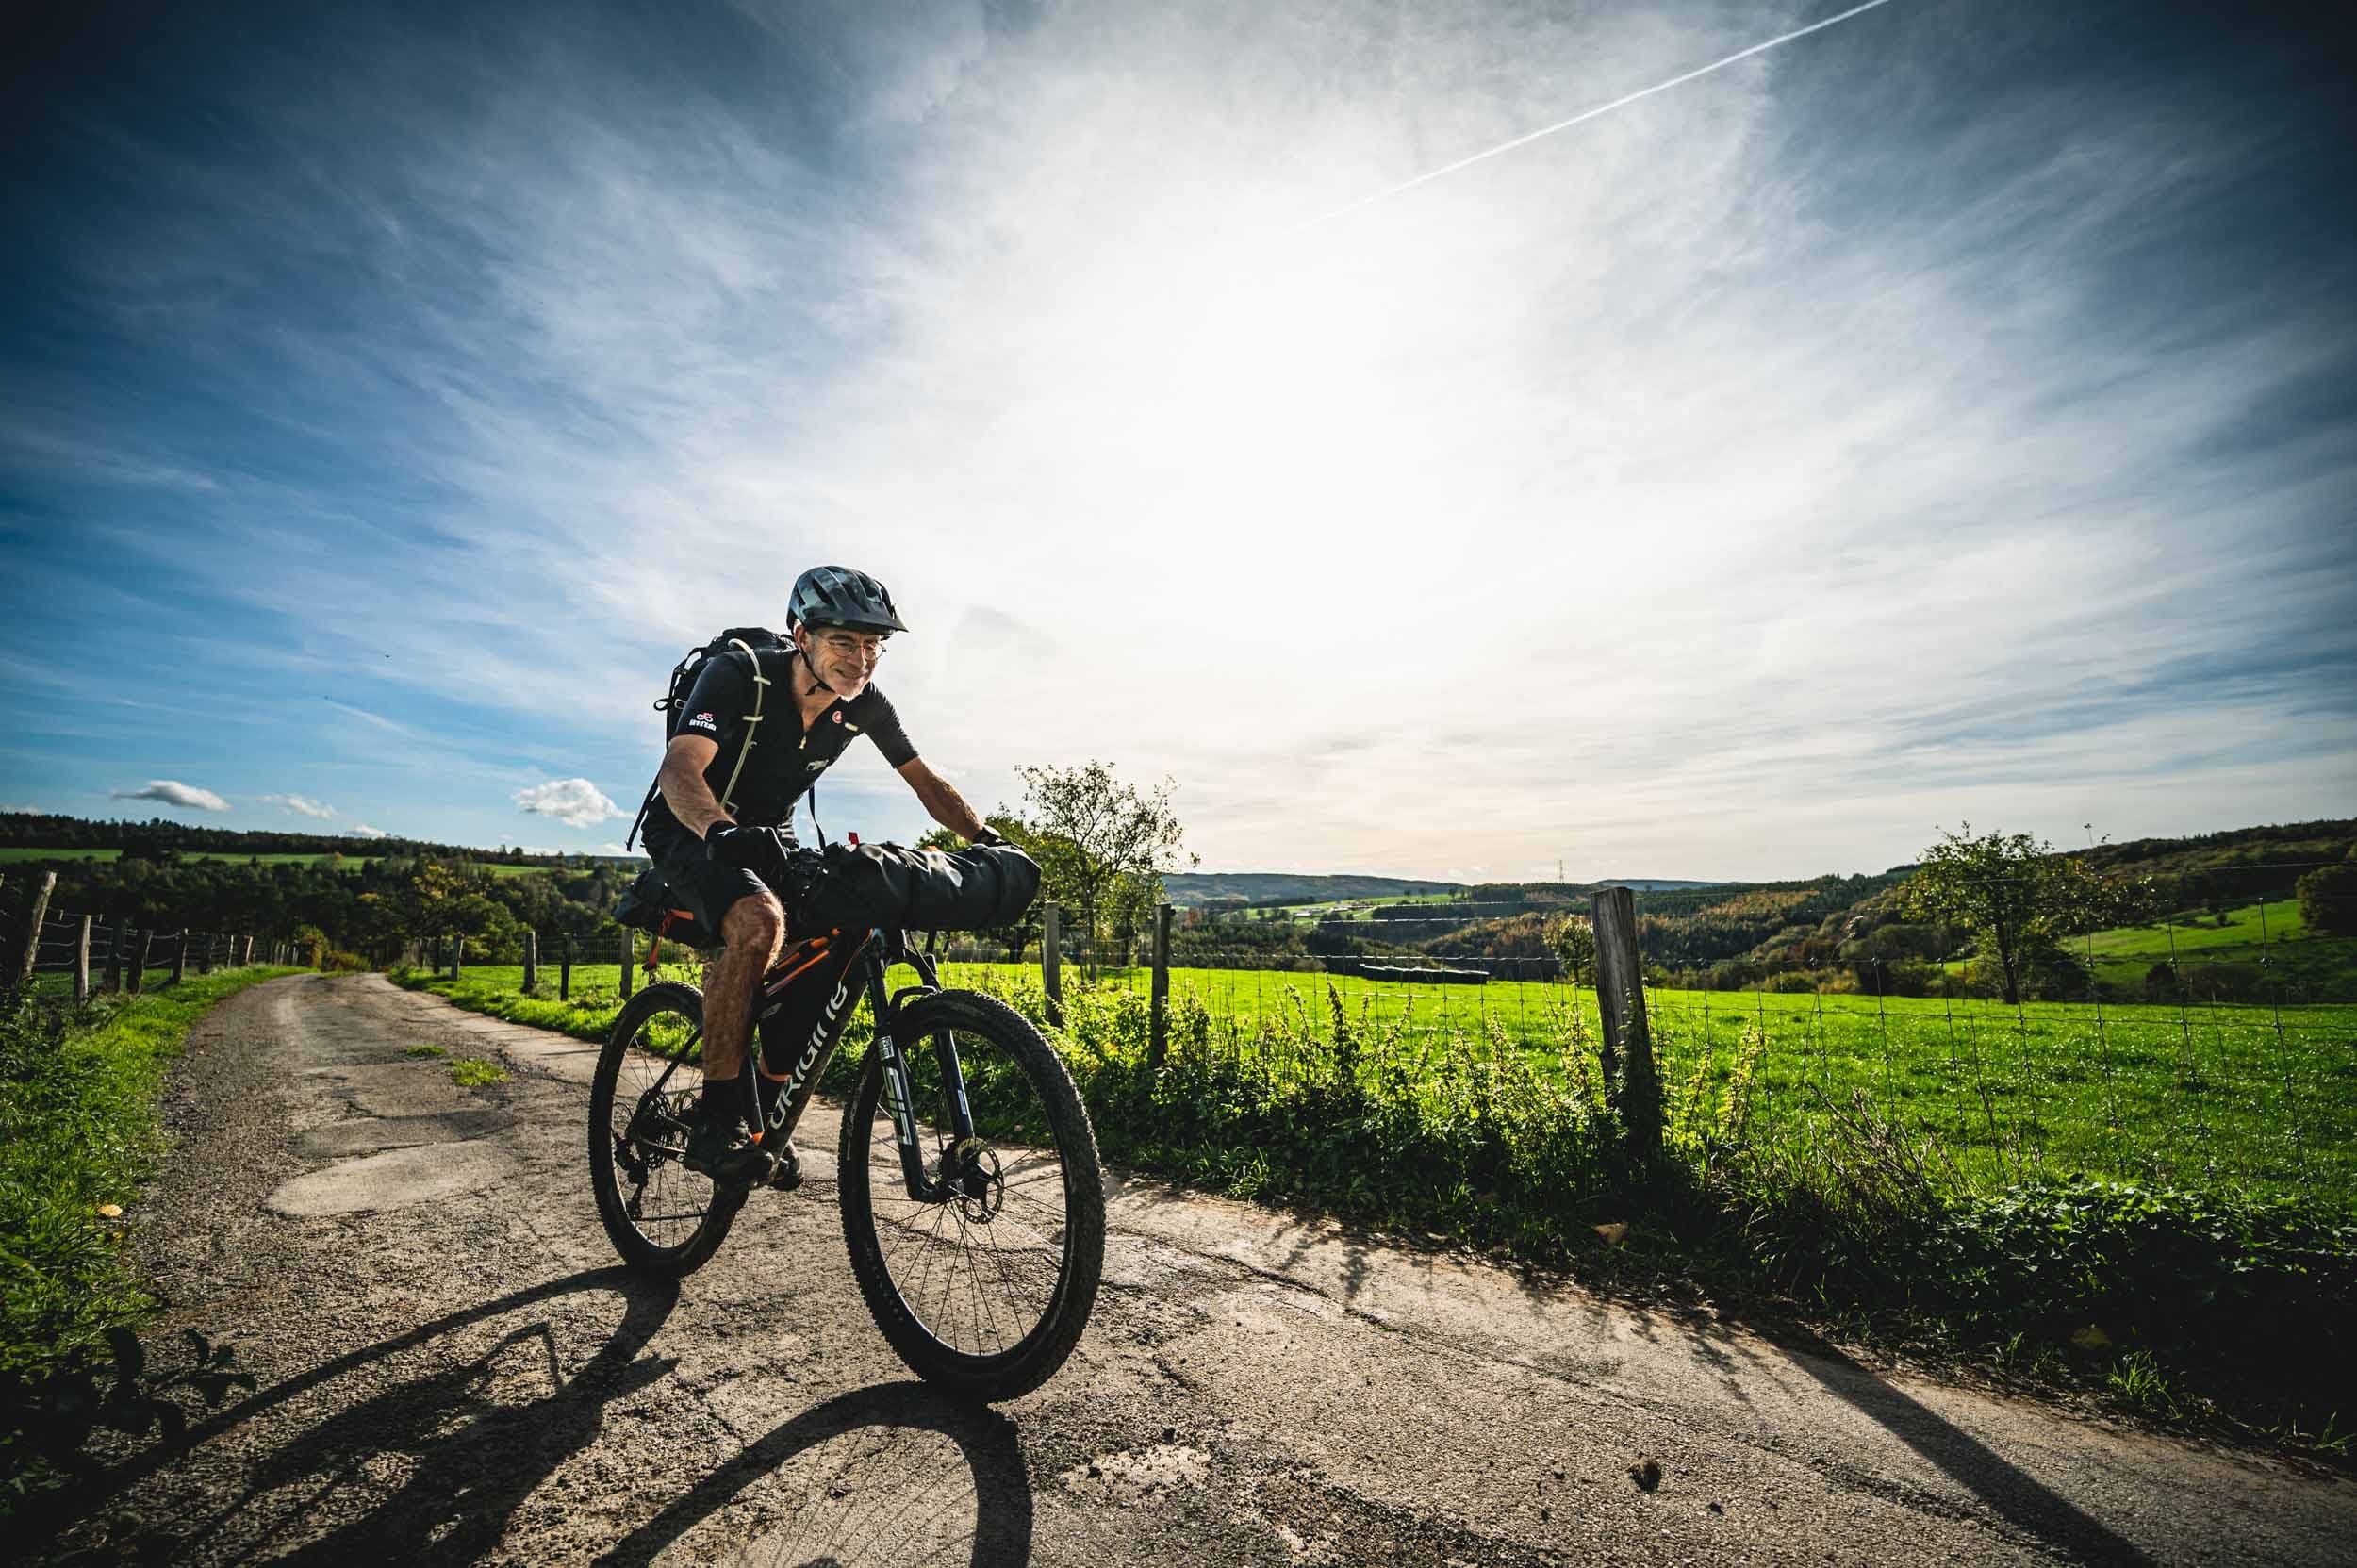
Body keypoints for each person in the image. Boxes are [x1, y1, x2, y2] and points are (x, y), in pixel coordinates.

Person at [637, 565, 990, 1182]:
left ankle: (764, 1106)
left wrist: (986, 840)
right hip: (693, 827)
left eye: (874, 645)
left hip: (773, 832)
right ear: (801, 635)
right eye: (844, 641)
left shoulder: (864, 705)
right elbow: (679, 770)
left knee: (840, 933)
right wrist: (720, 831)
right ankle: (718, 1121)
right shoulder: (739, 676)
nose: (862, 659)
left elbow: (927, 784)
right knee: (758, 923)